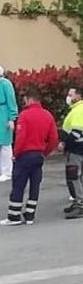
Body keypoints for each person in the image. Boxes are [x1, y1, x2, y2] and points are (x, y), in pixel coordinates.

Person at [0, 88, 58, 226]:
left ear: (30, 99)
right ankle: (30, 215)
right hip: (38, 155)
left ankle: (14, 216)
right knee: (34, 185)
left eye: (25, 99)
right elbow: (54, 138)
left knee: (19, 185)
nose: (23, 102)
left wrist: (15, 154)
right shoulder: (47, 115)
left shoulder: (25, 115)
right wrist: (44, 152)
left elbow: (21, 137)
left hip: (25, 155)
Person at [59, 87, 83, 218]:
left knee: (74, 177)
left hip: (76, 149)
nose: (68, 97)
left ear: (78, 96)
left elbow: (76, 133)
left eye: (70, 95)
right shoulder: (77, 109)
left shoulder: (78, 110)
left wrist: (64, 143)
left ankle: (80, 205)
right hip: (78, 149)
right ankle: (78, 202)